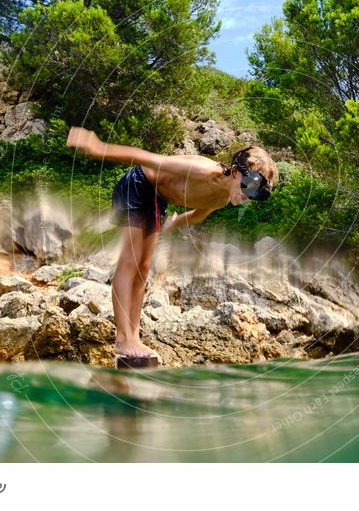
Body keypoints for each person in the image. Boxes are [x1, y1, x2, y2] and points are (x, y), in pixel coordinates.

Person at [66, 126, 279, 362]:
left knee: (144, 267)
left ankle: (133, 337)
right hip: (137, 185)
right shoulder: (202, 170)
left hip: (157, 200)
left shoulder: (220, 199)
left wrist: (174, 222)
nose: (250, 196)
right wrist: (99, 148)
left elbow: (198, 215)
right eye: (251, 187)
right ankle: (122, 338)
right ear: (237, 172)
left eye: (258, 195)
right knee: (131, 261)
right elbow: (146, 158)